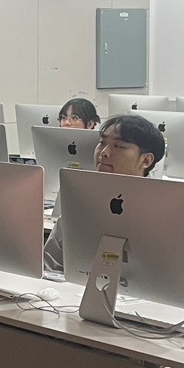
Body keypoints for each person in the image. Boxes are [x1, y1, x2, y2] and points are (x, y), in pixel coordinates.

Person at [42, 113, 164, 276]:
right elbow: (49, 266)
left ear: (146, 160)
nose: (104, 153)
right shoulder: (81, 200)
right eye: (101, 143)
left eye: (118, 146)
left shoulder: (163, 210)